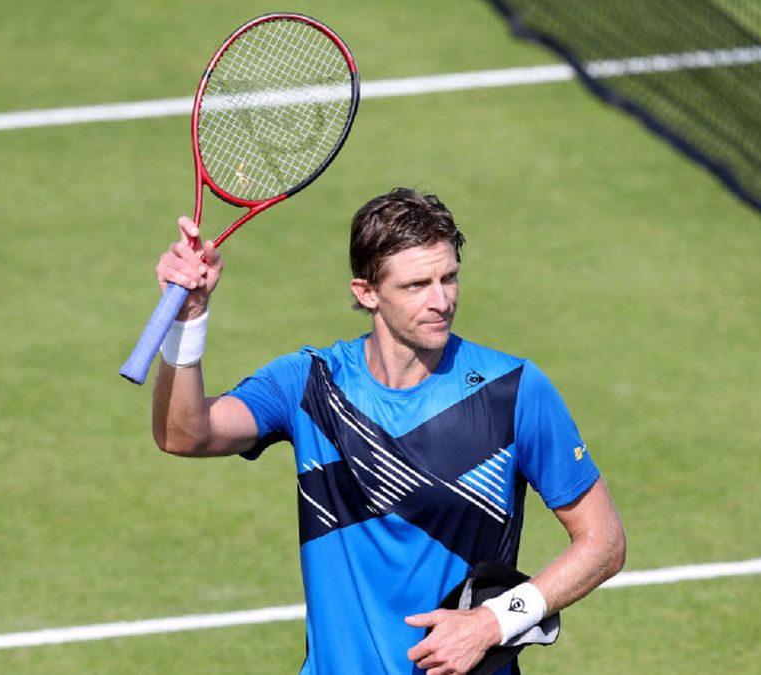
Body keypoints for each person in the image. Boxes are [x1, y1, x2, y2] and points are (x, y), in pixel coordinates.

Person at [149, 187, 626, 674]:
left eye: (449, 277)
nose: (441, 300)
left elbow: (603, 542)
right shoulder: (309, 385)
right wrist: (188, 319)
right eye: (416, 285)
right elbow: (184, 434)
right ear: (366, 292)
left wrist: (492, 622)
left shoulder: (513, 391)